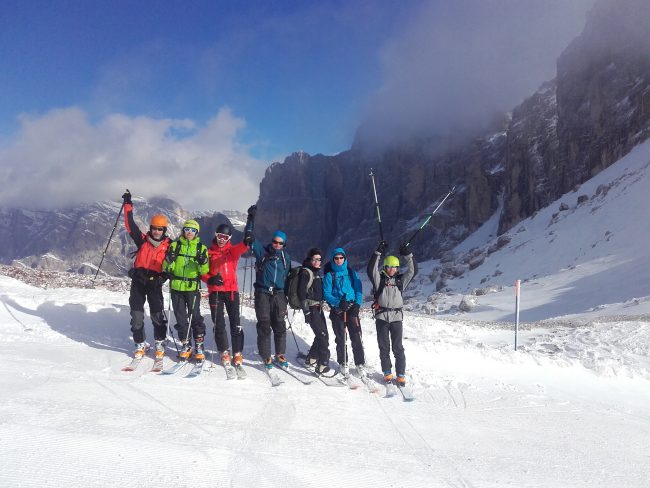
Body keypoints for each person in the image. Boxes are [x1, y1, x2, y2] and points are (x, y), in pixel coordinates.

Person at [122, 190, 172, 359]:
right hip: (138, 281)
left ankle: (159, 342)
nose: (157, 231)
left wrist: (163, 278)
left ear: (164, 230)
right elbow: (130, 225)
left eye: (160, 229)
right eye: (154, 228)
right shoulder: (142, 240)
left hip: (154, 284)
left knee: (157, 314)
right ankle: (140, 344)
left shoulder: (170, 246)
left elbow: (173, 266)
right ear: (150, 228)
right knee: (136, 315)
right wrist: (128, 204)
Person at [247, 205, 292, 369]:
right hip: (263, 293)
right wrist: (250, 219)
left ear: (284, 244)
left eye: (280, 243)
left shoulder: (286, 258)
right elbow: (249, 237)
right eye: (275, 241)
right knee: (264, 324)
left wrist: (286, 297)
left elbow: (286, 276)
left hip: (279, 295)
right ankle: (266, 356)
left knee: (280, 325)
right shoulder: (263, 252)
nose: (277, 245)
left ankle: (280, 355)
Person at [367, 240, 417, 386]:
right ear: (385, 267)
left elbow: (413, 271)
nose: (392, 270)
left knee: (398, 347)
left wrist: (408, 255)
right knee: (384, 347)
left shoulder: (401, 281)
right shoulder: (379, 280)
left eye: (395, 267)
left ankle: (400, 374)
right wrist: (378, 253)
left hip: (396, 318)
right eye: (390, 267)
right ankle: (387, 373)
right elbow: (371, 269)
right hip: (382, 317)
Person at [201, 222, 250, 367]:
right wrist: (209, 278)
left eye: (225, 237)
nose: (222, 239)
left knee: (236, 323)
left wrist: (247, 239)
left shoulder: (232, 251)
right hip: (215, 292)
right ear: (215, 235)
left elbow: (242, 247)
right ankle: (223, 351)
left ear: (229, 238)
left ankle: (237, 352)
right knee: (219, 324)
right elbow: (202, 272)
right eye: (219, 236)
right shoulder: (208, 252)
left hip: (232, 292)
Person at [162, 219, 210, 362]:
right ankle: (186, 344)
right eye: (187, 229)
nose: (189, 233)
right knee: (181, 318)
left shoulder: (201, 248)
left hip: (192, 288)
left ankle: (199, 346)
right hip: (176, 287)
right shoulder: (175, 246)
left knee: (195, 317)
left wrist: (202, 262)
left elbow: (204, 271)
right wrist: (168, 262)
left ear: (197, 232)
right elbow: (166, 266)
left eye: (193, 230)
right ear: (183, 230)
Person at [322, 247, 365, 376]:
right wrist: (338, 302)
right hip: (338, 309)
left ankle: (360, 363)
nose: (339, 260)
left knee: (356, 337)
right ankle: (343, 362)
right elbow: (326, 293)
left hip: (351, 308)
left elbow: (358, 289)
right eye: (336, 258)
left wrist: (357, 304)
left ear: (345, 258)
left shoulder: (351, 273)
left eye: (341, 258)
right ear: (333, 259)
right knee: (341, 338)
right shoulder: (329, 275)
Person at [298, 248, 331, 374]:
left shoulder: (315, 272)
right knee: (322, 336)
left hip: (317, 308)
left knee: (322, 334)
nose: (318, 262)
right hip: (311, 309)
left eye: (319, 259)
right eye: (315, 259)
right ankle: (322, 364)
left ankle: (312, 358)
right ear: (310, 259)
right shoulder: (306, 272)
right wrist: (306, 311)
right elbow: (301, 293)